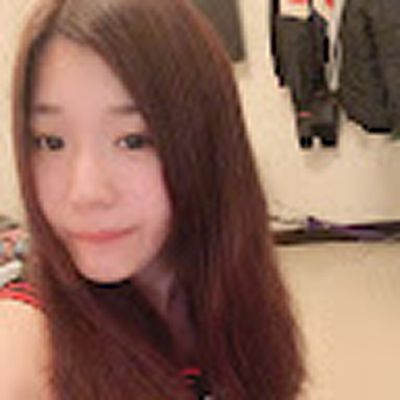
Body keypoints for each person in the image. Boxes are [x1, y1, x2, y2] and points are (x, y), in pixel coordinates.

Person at [0, 0, 306, 398]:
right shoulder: (24, 345)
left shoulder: (233, 296)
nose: (85, 192)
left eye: (133, 140)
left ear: (207, 144)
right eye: (51, 141)